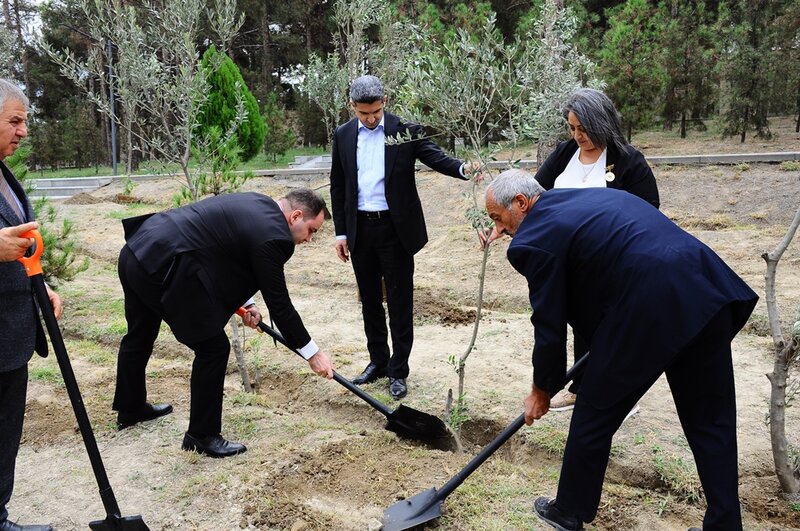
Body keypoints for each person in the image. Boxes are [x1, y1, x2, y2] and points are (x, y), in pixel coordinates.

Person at [485, 169, 758, 531]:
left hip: (652, 306)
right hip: (705, 292)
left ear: (521, 203)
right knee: (711, 422)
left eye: (497, 219)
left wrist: (542, 389)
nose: (499, 230)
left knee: (595, 410)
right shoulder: (587, 197)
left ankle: (568, 510)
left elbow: (548, 325)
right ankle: (725, 525)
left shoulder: (532, 239)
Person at [113, 189, 335, 458]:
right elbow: (280, 305)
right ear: (295, 216)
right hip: (164, 264)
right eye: (311, 230)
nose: (309, 239)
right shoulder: (276, 237)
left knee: (140, 333)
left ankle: (131, 408)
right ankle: (201, 435)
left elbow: (229, 254)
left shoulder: (258, 202)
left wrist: (248, 304)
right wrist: (313, 353)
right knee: (213, 348)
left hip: (139, 248)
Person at [329, 74, 477, 400]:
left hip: (395, 231)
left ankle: (399, 371)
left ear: (384, 102)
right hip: (360, 230)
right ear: (352, 106)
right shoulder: (342, 136)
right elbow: (338, 187)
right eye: (364, 113)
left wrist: (464, 169)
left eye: (376, 112)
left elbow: (435, 157)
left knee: (399, 301)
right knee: (369, 301)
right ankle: (377, 362)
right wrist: (341, 232)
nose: (370, 119)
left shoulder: (404, 131)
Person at [534, 87, 659, 411]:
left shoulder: (628, 162)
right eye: (572, 128)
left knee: (611, 330)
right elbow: (534, 193)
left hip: (611, 264)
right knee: (579, 324)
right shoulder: (564, 154)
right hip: (567, 262)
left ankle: (619, 396)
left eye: (583, 128)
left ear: (601, 122)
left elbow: (649, 212)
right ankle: (579, 387)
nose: (577, 135)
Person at [0, 78, 60, 531]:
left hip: (11, 332)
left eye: (24, 122)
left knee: (4, 435)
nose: (23, 132)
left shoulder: (4, 173)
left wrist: (41, 286)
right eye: (14, 121)